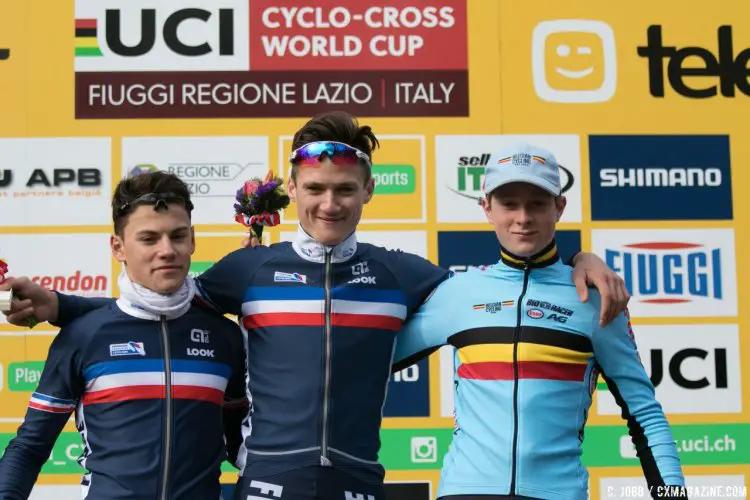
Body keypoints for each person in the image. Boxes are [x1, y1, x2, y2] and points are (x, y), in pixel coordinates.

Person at [1, 112, 629, 500]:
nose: (330, 204)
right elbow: (154, 305)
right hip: (266, 484)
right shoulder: (247, 270)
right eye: (317, 189)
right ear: (294, 188)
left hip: (359, 482)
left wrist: (577, 260)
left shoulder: (404, 274)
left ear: (369, 191)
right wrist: (59, 304)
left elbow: (499, 289)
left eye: (346, 190)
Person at [391, 143, 685, 500]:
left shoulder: (596, 300)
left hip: (556, 493)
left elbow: (644, 415)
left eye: (537, 204)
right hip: (465, 491)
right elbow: (366, 363)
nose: (523, 217)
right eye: (509, 204)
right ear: (487, 208)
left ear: (559, 207)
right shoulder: (458, 292)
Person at [0, 172, 248, 499]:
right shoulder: (83, 336)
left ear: (193, 240)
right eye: (148, 239)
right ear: (118, 247)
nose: (167, 250)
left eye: (177, 236)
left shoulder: (224, 337)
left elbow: (241, 446)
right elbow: (31, 447)